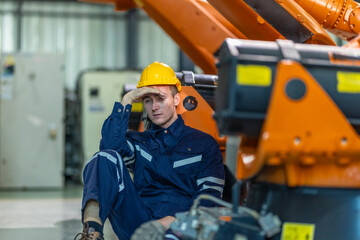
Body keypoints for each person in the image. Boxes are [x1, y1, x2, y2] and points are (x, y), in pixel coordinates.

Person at [75, 62, 225, 240]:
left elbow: (209, 201)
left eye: (161, 98)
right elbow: (109, 148)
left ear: (176, 99)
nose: (154, 107)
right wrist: (127, 100)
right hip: (138, 223)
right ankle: (92, 232)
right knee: (105, 156)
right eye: (148, 100)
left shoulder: (203, 144)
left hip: (179, 226)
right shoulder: (140, 142)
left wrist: (172, 221)